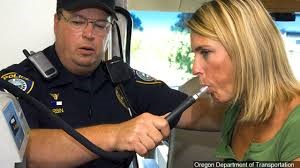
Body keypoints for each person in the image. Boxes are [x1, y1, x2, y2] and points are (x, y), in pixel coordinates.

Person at [0, 0, 191, 167]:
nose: (89, 33)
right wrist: (116, 135)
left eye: (100, 25)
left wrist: (220, 93)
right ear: (56, 22)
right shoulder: (19, 81)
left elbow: (191, 111)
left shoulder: (121, 79)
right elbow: (22, 150)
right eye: (77, 22)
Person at [184, 0, 300, 161]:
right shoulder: (238, 109)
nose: (195, 68)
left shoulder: (296, 124)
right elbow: (191, 113)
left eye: (205, 52)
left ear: (246, 50)